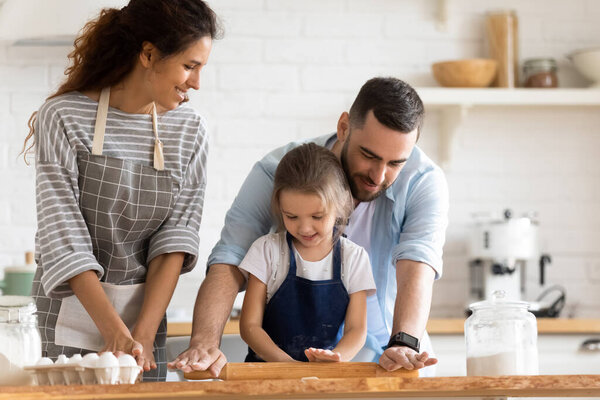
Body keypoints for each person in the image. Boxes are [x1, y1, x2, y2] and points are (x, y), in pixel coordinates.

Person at [170, 77, 448, 377]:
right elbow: (230, 256)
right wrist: (204, 342)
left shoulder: (423, 181)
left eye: (395, 163)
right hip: (294, 365)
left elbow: (418, 264)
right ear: (344, 127)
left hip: (393, 355)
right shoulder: (280, 172)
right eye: (368, 155)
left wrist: (404, 341)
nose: (379, 176)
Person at [21, 0, 220, 381]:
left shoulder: (189, 130)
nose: (196, 83)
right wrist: (113, 331)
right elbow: (64, 238)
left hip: (144, 326)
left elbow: (175, 237)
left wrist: (142, 333)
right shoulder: (63, 117)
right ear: (148, 53)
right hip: (66, 321)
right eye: (189, 66)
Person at [239, 143, 376, 362]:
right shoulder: (266, 250)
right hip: (267, 374)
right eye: (291, 216)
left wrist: (335, 359)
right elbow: (249, 326)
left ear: (339, 205)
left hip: (323, 378)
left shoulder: (354, 258)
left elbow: (356, 330)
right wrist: (287, 365)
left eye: (317, 217)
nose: (304, 228)